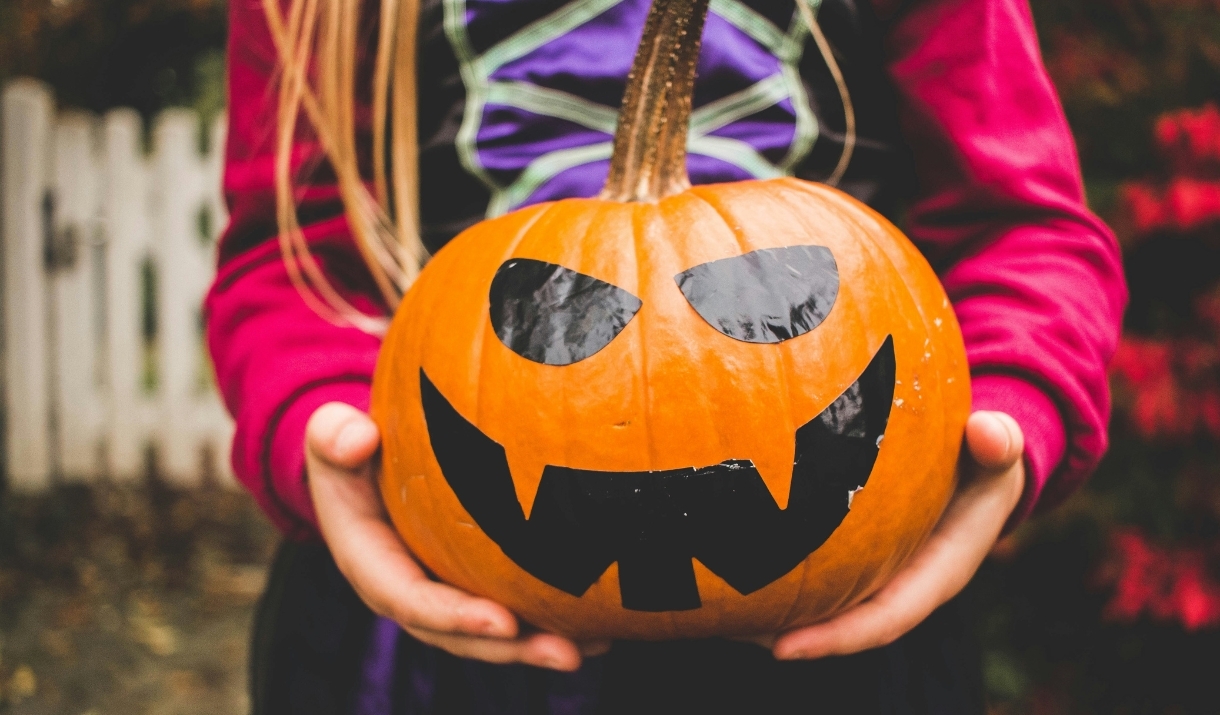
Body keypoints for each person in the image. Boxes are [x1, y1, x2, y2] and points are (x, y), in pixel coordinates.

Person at [206, 0, 1127, 711]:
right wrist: (316, 425)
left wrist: (1010, 411)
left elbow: (1023, 227)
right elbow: (290, 257)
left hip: (849, 614)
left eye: (773, 300)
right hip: (428, 619)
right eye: (553, 315)